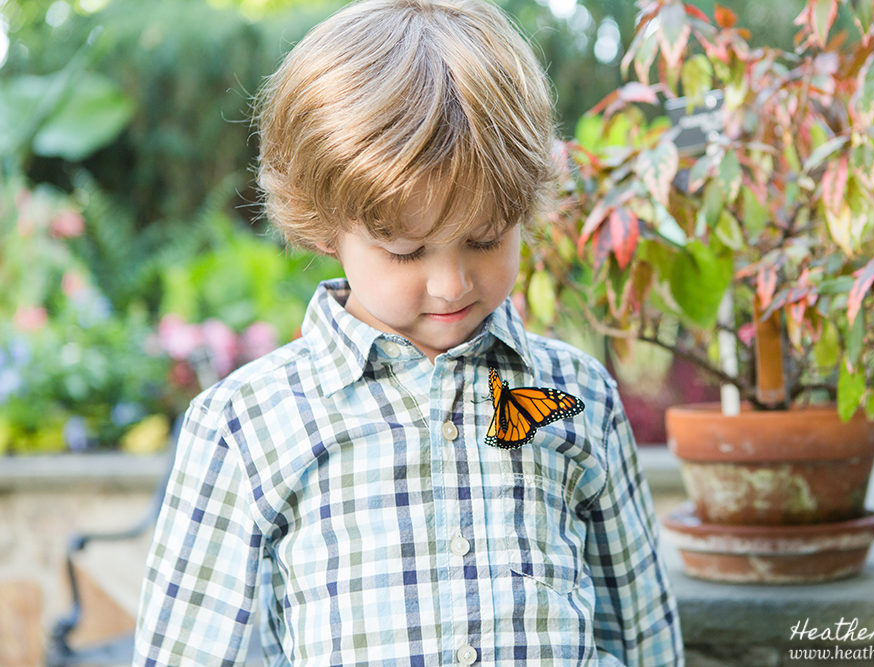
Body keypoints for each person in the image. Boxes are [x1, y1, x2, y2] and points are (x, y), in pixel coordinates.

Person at [133, 0, 683, 664]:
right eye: (405, 250)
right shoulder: (246, 425)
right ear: (325, 228)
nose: (452, 283)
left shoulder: (579, 396)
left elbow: (644, 631)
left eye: (485, 239)